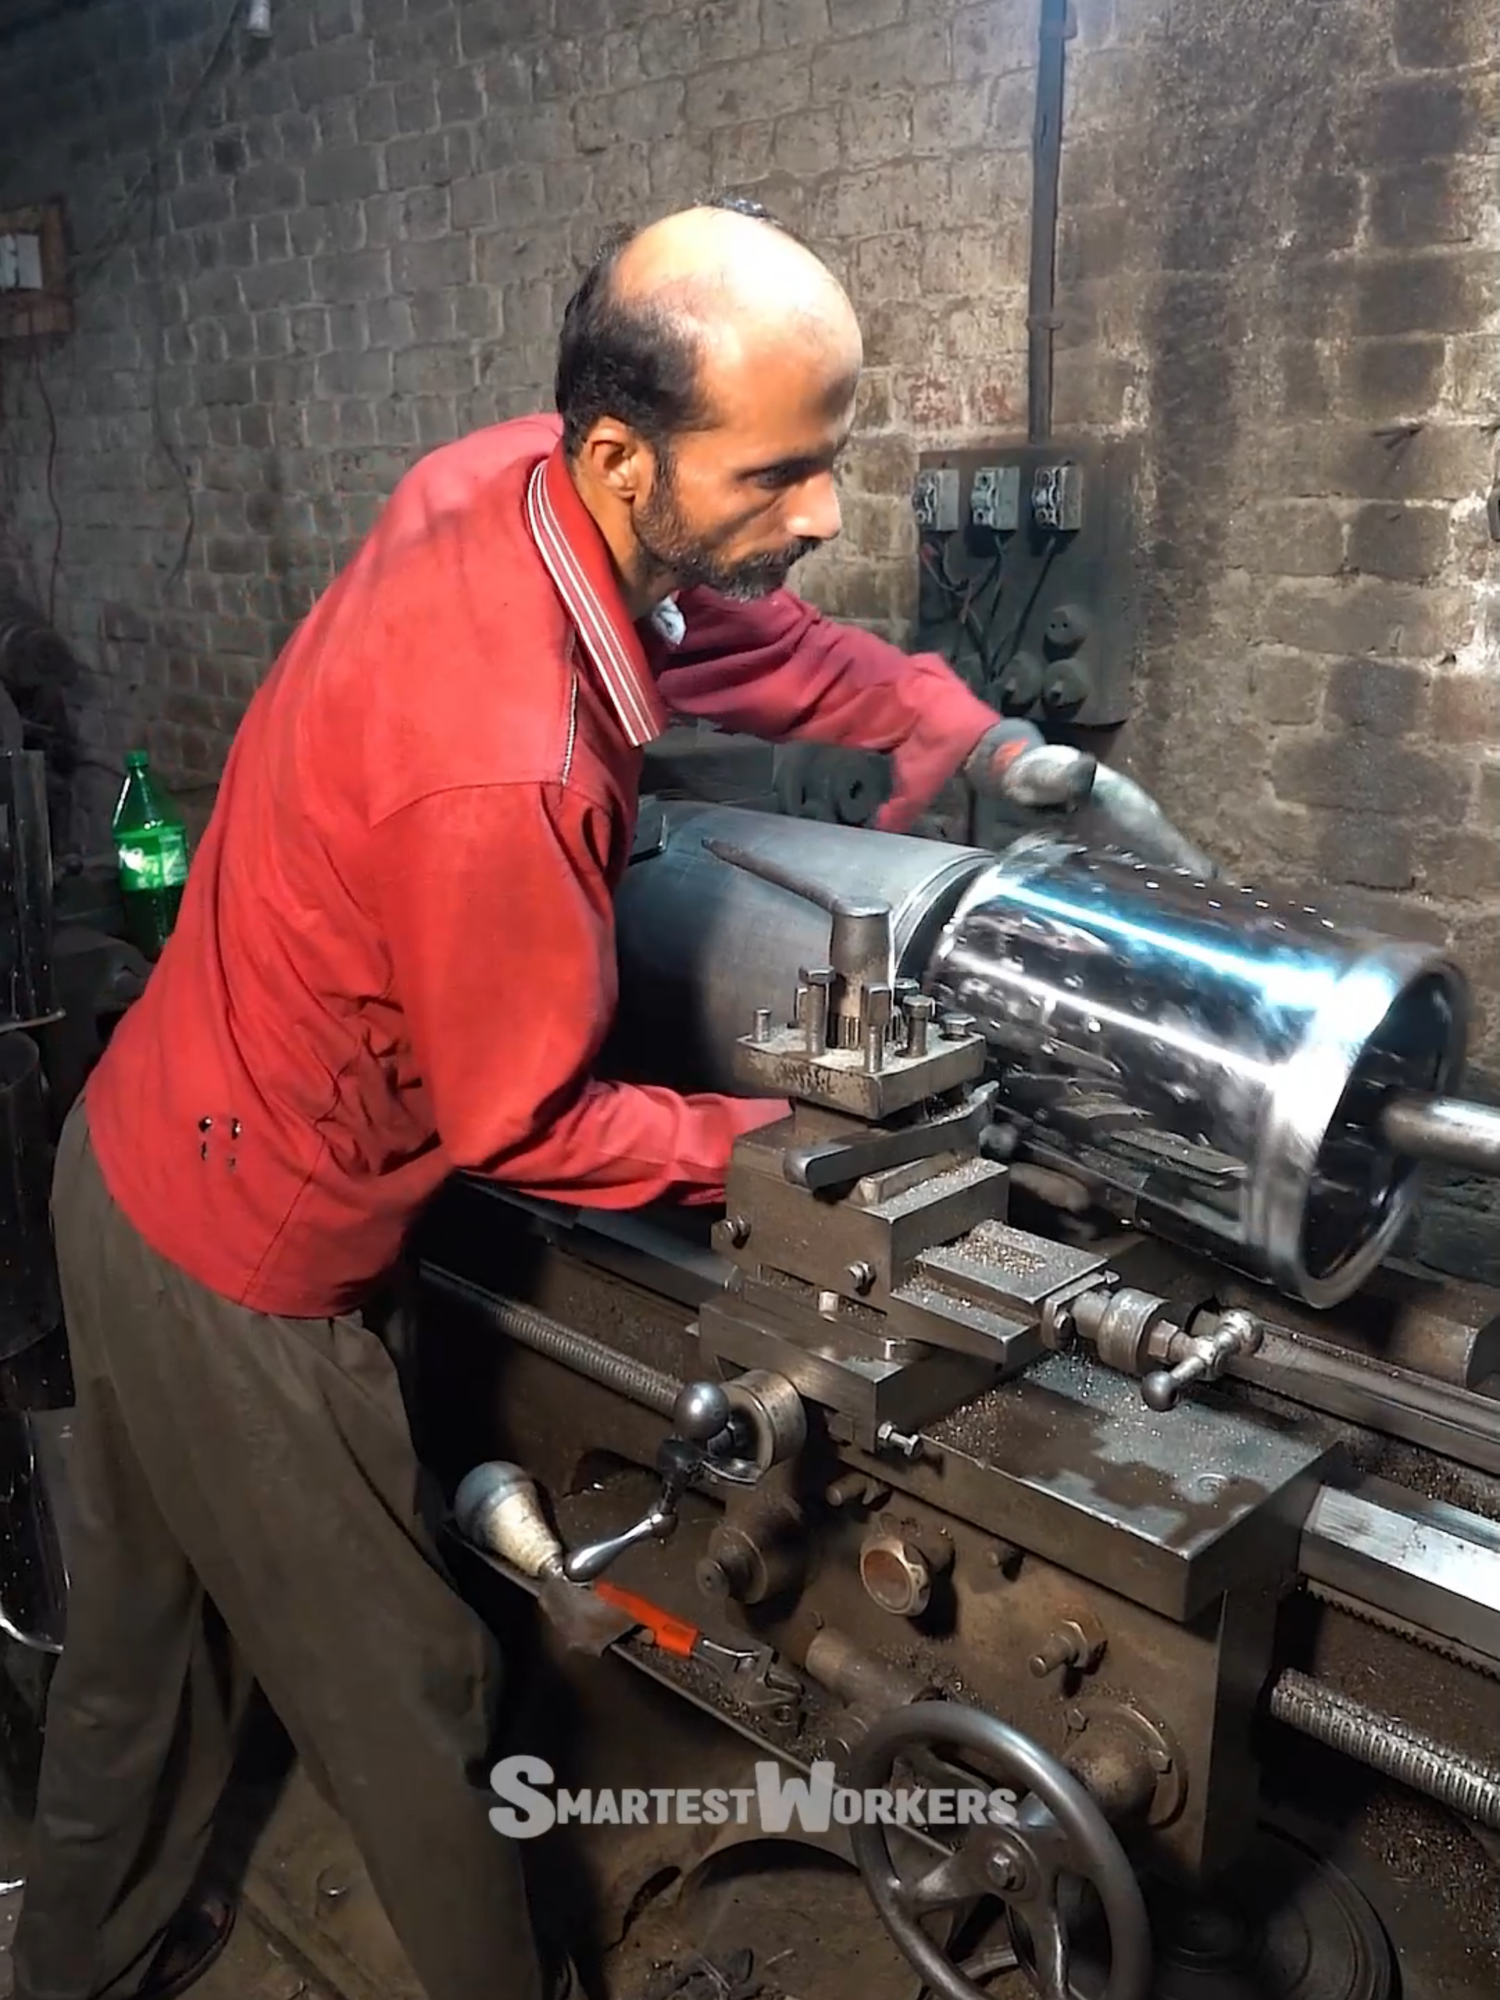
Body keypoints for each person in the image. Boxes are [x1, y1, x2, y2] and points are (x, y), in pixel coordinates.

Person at [13, 198, 1201, 2000]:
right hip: (233, 1256)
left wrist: (927, 712)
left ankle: (71, 1966)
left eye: (835, 460)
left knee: (139, 1655)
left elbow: (713, 635)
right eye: (782, 473)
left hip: (125, 1151)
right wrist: (788, 1142)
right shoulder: (509, 762)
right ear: (626, 451)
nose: (820, 512)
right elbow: (525, 1123)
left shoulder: (517, 486)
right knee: (409, 1688)